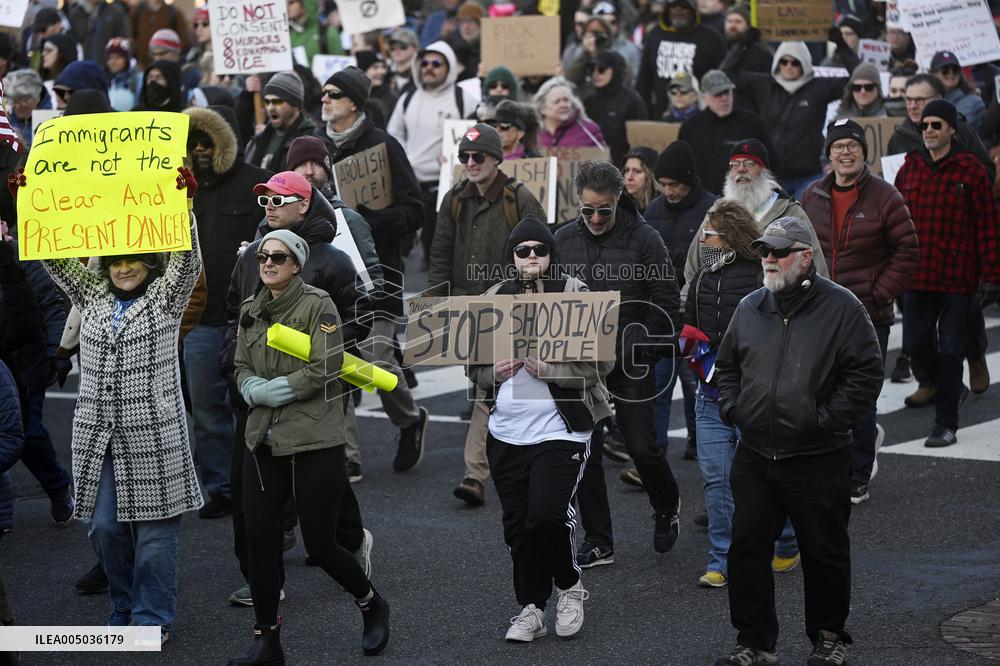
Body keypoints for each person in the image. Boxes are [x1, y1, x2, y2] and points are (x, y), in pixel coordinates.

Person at [30, 167, 203, 644]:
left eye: (134, 260)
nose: (123, 267)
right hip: (98, 437)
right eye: (114, 261)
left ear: (149, 263)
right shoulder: (92, 296)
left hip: (152, 438)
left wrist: (185, 211)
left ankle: (152, 618)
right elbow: (56, 261)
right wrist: (29, 205)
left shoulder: (166, 301)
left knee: (152, 542)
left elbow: (186, 263)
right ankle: (122, 603)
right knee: (104, 529)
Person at [713, 216, 884, 666]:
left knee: (823, 552)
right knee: (747, 548)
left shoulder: (842, 308)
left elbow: (866, 372)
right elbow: (726, 367)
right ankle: (754, 642)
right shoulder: (751, 307)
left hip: (818, 455)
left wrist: (825, 420)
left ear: (805, 258)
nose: (768, 258)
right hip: (754, 454)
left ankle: (828, 637)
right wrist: (735, 409)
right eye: (764, 250)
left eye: (779, 251)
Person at [230, 229, 389, 663]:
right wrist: (250, 388)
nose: (268, 264)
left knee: (320, 546)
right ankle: (267, 641)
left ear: (296, 264)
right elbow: (241, 362)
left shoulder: (318, 304)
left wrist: (283, 386)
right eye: (263, 257)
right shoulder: (251, 309)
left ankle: (371, 602)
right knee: (261, 541)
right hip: (263, 436)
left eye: (278, 258)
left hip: (315, 439)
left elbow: (327, 364)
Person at [223, 170, 373, 606]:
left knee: (321, 490)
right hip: (255, 393)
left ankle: (351, 550)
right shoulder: (252, 254)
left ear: (304, 204)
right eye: (265, 201)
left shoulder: (334, 259)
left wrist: (314, 358)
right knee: (251, 494)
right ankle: (261, 582)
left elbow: (359, 317)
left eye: (279, 200)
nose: (269, 208)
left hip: (312, 395)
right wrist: (235, 366)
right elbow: (234, 310)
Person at [468, 215, 611, 642]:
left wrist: (554, 369)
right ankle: (531, 606)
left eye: (540, 250)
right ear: (511, 256)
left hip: (561, 429)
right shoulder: (494, 296)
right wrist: (491, 372)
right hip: (507, 431)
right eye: (522, 250)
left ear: (552, 254)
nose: (532, 257)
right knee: (517, 527)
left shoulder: (575, 293)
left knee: (547, 515)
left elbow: (601, 364)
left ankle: (569, 586)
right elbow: (472, 366)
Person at [557, 160, 683, 567]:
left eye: (604, 211)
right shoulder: (563, 239)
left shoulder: (645, 238)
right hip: (581, 364)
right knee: (586, 452)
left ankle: (666, 505)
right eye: (587, 210)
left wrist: (638, 350)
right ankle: (598, 538)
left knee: (642, 446)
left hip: (630, 361)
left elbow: (666, 303)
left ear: (618, 202)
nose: (595, 218)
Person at [428, 123, 546, 506]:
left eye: (478, 156)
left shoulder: (519, 198)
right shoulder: (454, 199)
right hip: (469, 307)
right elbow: (441, 252)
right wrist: (435, 305)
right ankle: (488, 471)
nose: (471, 162)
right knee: (487, 386)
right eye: (464, 157)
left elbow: (543, 250)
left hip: (512, 305)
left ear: (497, 158)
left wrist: (533, 299)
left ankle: (476, 474)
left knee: (492, 389)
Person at [801, 119, 918, 502]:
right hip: (820, 313)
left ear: (864, 152)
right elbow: (797, 248)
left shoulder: (885, 196)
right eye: (838, 147)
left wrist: (879, 292)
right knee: (822, 392)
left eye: (852, 145)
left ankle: (859, 471)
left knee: (861, 396)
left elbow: (907, 249)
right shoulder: (811, 196)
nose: (845, 153)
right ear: (829, 153)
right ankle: (830, 464)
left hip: (869, 314)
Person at [683, 199, 797, 589]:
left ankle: (786, 540)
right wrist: (688, 343)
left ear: (729, 237)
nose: (703, 239)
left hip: (755, 398)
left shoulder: (761, 278)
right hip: (710, 395)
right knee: (716, 480)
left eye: (709, 234)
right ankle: (722, 560)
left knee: (766, 480)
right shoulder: (701, 280)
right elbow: (689, 326)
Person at [183, 105, 273, 520]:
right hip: (197, 319)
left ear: (226, 142)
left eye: (208, 141)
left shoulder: (257, 183)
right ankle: (219, 486)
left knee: (253, 404)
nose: (200, 150)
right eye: (193, 142)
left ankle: (257, 482)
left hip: (249, 318)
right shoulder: (175, 186)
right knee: (205, 407)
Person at [893, 100, 1000, 448]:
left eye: (937, 125)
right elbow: (895, 224)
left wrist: (990, 276)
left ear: (952, 129)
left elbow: (987, 225)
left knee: (952, 349)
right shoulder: (908, 170)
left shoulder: (971, 170)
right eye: (925, 126)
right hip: (917, 276)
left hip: (958, 276)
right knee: (914, 343)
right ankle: (952, 388)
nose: (929, 131)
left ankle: (946, 423)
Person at [683, 139, 828, 296]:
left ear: (764, 172)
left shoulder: (789, 212)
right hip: (718, 309)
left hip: (775, 308)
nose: (741, 170)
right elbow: (693, 267)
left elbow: (816, 266)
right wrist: (687, 304)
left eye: (749, 164)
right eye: (735, 165)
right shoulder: (716, 212)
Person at [722, 37, 859, 197]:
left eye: (795, 62)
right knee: (772, 221)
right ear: (777, 63)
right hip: (771, 176)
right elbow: (726, 75)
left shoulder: (819, 87)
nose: (789, 67)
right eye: (784, 62)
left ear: (804, 64)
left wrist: (840, 43)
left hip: (808, 174)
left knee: (806, 219)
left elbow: (858, 77)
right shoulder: (763, 84)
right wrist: (746, 42)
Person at [387, 40, 478, 259]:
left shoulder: (462, 99)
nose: (429, 67)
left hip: (449, 184)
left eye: (436, 63)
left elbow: (476, 134)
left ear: (449, 68)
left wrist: (459, 152)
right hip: (413, 184)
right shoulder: (408, 98)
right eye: (425, 62)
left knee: (448, 248)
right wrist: (405, 158)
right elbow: (394, 134)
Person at [678, 70, 772, 196]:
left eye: (727, 92)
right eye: (717, 94)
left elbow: (771, 164)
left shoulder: (752, 124)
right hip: (703, 201)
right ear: (704, 97)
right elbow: (683, 168)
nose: (724, 98)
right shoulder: (690, 128)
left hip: (746, 199)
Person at [636, 0, 726, 118]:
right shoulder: (655, 35)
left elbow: (721, 78)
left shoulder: (711, 38)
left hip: (700, 116)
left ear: (693, 10)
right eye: (674, 7)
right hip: (661, 115)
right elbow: (644, 79)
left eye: (684, 7)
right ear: (667, 10)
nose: (678, 11)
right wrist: (645, 112)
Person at [887, 74, 991, 171]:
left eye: (920, 99)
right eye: (909, 100)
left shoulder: (962, 132)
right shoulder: (898, 138)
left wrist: (959, 186)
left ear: (938, 99)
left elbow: (987, 172)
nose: (913, 106)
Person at [583, 50, 647, 166]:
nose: (595, 74)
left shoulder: (632, 100)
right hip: (593, 166)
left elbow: (640, 140)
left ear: (615, 71)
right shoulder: (589, 101)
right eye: (592, 70)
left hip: (623, 169)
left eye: (601, 70)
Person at [245, 72, 318, 173]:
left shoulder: (312, 139)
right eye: (267, 102)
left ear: (295, 105)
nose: (270, 108)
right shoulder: (260, 139)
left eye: (277, 101)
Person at [534, 78, 606, 150]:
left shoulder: (589, 129)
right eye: (557, 102)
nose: (563, 105)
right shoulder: (532, 134)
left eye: (566, 100)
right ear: (542, 109)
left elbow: (604, 159)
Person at [929, 51, 986, 135]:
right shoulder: (926, 101)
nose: (951, 73)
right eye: (945, 70)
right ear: (933, 74)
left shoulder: (974, 102)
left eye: (955, 70)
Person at [130, 0, 190, 68]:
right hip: (143, 65)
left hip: (165, 66)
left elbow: (184, 41)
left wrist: (167, 52)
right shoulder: (138, 11)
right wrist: (138, 49)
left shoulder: (173, 13)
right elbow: (131, 35)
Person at [3, 69, 50, 148]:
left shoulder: (52, 118)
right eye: (14, 100)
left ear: (37, 95)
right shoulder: (9, 117)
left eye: (23, 100)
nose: (18, 106)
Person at [721, 3, 771, 76]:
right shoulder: (720, 45)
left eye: (738, 22)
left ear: (748, 26)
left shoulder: (760, 52)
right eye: (729, 21)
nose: (732, 25)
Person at [354, 50, 397, 129]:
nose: (382, 71)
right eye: (375, 67)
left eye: (383, 67)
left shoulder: (391, 98)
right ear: (362, 72)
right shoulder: (355, 98)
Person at [105, 37, 142, 112]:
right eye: (110, 58)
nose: (113, 61)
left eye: (118, 57)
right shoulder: (104, 80)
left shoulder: (136, 79)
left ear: (127, 59)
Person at [621, 147, 658, 213]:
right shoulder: (618, 206)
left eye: (637, 171)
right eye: (627, 170)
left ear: (650, 175)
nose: (629, 177)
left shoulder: (662, 207)